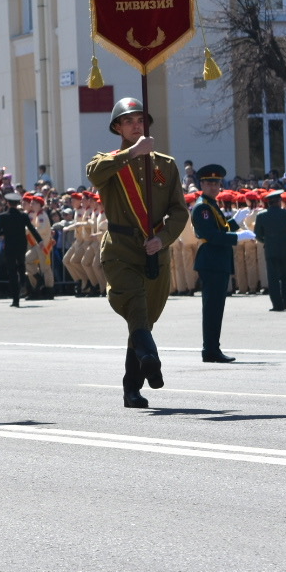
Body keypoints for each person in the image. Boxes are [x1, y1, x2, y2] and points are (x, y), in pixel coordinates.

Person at [85, 97, 191, 408]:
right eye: (128, 120)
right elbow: (93, 173)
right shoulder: (109, 162)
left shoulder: (165, 165)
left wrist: (165, 238)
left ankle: (133, 385)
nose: (135, 125)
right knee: (135, 306)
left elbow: (179, 212)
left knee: (144, 319)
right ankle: (149, 359)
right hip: (121, 250)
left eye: (140, 120)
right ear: (117, 126)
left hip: (154, 250)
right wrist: (133, 153)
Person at [191, 165, 250, 362]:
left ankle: (212, 348)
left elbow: (221, 229)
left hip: (217, 260)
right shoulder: (202, 207)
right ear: (201, 184)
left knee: (216, 307)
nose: (214, 186)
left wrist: (234, 222)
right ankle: (210, 349)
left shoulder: (210, 204)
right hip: (211, 260)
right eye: (209, 183)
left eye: (216, 183)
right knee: (212, 308)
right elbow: (212, 235)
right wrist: (237, 237)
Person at [0, 192, 42, 307]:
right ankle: (24, 283)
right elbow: (32, 229)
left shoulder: (3, 216)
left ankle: (16, 300)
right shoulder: (23, 216)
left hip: (10, 247)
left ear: (8, 203)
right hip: (21, 246)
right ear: (17, 204)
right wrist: (40, 241)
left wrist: (4, 233)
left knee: (12, 272)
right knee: (21, 266)